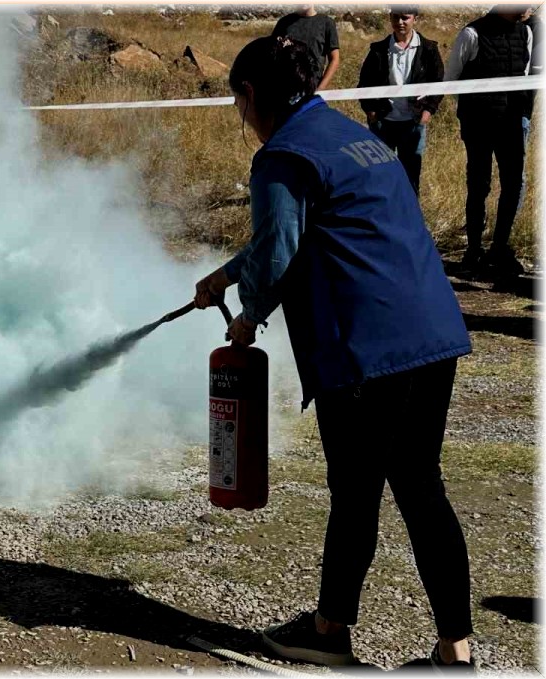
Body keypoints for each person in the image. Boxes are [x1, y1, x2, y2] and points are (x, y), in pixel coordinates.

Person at [194, 36, 475, 670]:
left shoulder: (281, 157)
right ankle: (455, 651)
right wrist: (229, 275)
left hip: (368, 349)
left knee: (355, 491)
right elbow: (308, 229)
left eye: (237, 100)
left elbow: (279, 253)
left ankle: (327, 633)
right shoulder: (349, 135)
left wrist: (248, 315)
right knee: (420, 485)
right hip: (430, 333)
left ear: (249, 95)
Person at [445, 4, 537, 277]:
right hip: (479, 124)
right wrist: (474, 110)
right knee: (479, 183)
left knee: (512, 183)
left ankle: (500, 248)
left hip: (511, 122)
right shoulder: (472, 34)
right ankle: (473, 250)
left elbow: (524, 76)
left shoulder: (525, 33)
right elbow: (450, 80)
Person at [357, 6, 444, 195]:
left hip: (413, 123)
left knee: (410, 177)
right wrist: (371, 112)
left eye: (405, 18)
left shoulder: (429, 49)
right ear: (390, 18)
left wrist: (428, 111)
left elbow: (438, 83)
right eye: (396, 18)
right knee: (380, 175)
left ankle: (409, 220)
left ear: (415, 19)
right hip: (382, 122)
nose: (400, 22)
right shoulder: (378, 49)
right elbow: (364, 83)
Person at [272, 4, 341, 90]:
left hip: (312, 86)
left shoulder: (326, 23)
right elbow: (271, 54)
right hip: (286, 87)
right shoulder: (284, 22)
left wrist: (320, 88)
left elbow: (335, 59)